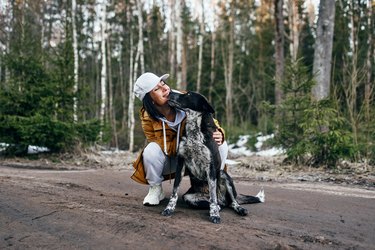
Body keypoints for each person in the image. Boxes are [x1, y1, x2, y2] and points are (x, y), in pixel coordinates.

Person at [131, 72, 229, 206]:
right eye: (157, 89)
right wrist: (186, 147)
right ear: (149, 99)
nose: (165, 88)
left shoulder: (184, 98)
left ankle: (212, 188)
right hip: (174, 158)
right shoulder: (148, 116)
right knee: (151, 150)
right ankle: (156, 189)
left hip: (198, 157)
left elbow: (210, 120)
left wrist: (220, 133)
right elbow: (158, 142)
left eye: (163, 83)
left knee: (220, 144)